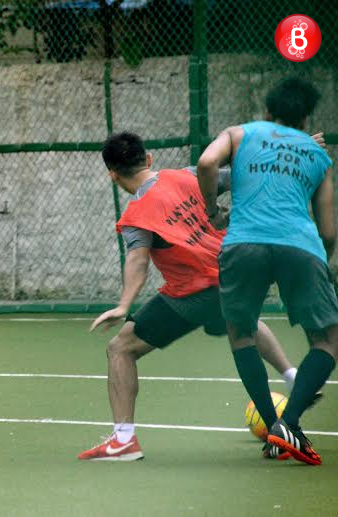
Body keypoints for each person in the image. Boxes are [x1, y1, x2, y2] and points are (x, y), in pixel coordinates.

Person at [78, 132, 304, 462]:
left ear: (112, 173)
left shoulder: (136, 217)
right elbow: (242, 175)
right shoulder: (188, 175)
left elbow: (138, 262)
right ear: (149, 158)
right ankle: (292, 378)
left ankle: (123, 440)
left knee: (120, 348)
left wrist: (124, 305)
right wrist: (295, 151)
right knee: (242, 324)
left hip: (196, 291)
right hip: (237, 274)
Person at [197, 76, 335, 466]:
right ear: (307, 120)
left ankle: (276, 428)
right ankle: (287, 424)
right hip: (300, 247)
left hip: (244, 243)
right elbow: (328, 230)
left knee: (241, 332)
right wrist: (323, 263)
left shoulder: (240, 133)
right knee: (328, 339)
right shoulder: (317, 154)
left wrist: (212, 211)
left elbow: (207, 162)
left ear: (267, 113)